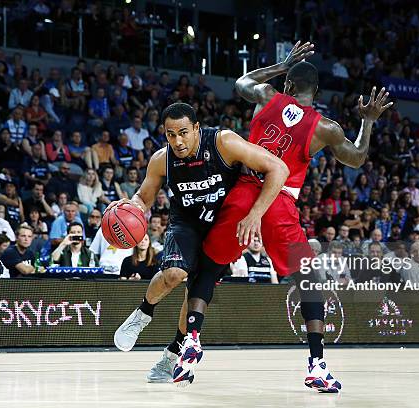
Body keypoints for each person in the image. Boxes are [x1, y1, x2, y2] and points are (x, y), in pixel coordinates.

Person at [142, 41, 391, 390]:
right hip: (279, 203)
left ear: (287, 85)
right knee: (309, 278)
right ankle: (317, 364)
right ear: (315, 92)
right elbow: (358, 158)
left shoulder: (268, 96)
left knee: (209, 266)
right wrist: (367, 121)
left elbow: (241, 82)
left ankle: (191, 342)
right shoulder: (326, 127)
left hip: (243, 193)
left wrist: (280, 64)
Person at [112, 102, 289, 384]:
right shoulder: (161, 160)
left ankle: (170, 358)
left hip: (222, 226)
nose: (178, 141)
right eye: (170, 135)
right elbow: (143, 198)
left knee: (193, 294)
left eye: (183, 132)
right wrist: (128, 207)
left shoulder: (224, 142)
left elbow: (278, 168)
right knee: (174, 274)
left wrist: (256, 214)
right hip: (186, 222)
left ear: (197, 128)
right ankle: (143, 313)